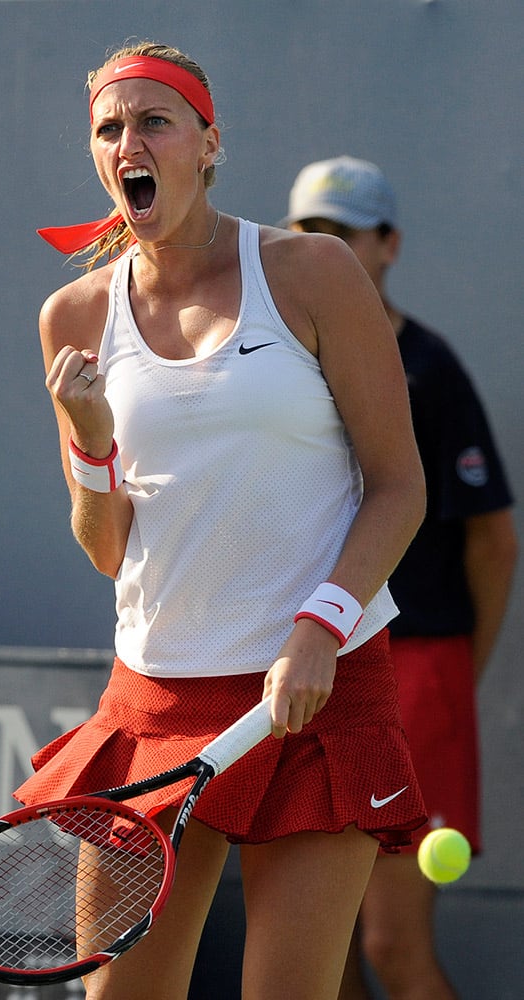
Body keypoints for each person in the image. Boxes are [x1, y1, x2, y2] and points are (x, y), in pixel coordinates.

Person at [15, 46, 428, 1000]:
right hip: (152, 703)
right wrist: (89, 440)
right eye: (109, 128)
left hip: (319, 685)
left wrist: (319, 627)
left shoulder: (312, 270)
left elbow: (398, 484)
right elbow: (107, 548)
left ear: (207, 145)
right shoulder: (71, 314)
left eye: (154, 122)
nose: (129, 143)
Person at [281, 155, 517, 1000]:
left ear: (388, 245)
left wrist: (452, 675)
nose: (327, 252)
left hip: (416, 672)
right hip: (305, 678)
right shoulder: (274, 368)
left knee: (390, 945)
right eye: (310, 235)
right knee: (320, 952)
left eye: (343, 236)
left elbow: (493, 543)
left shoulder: (431, 369)